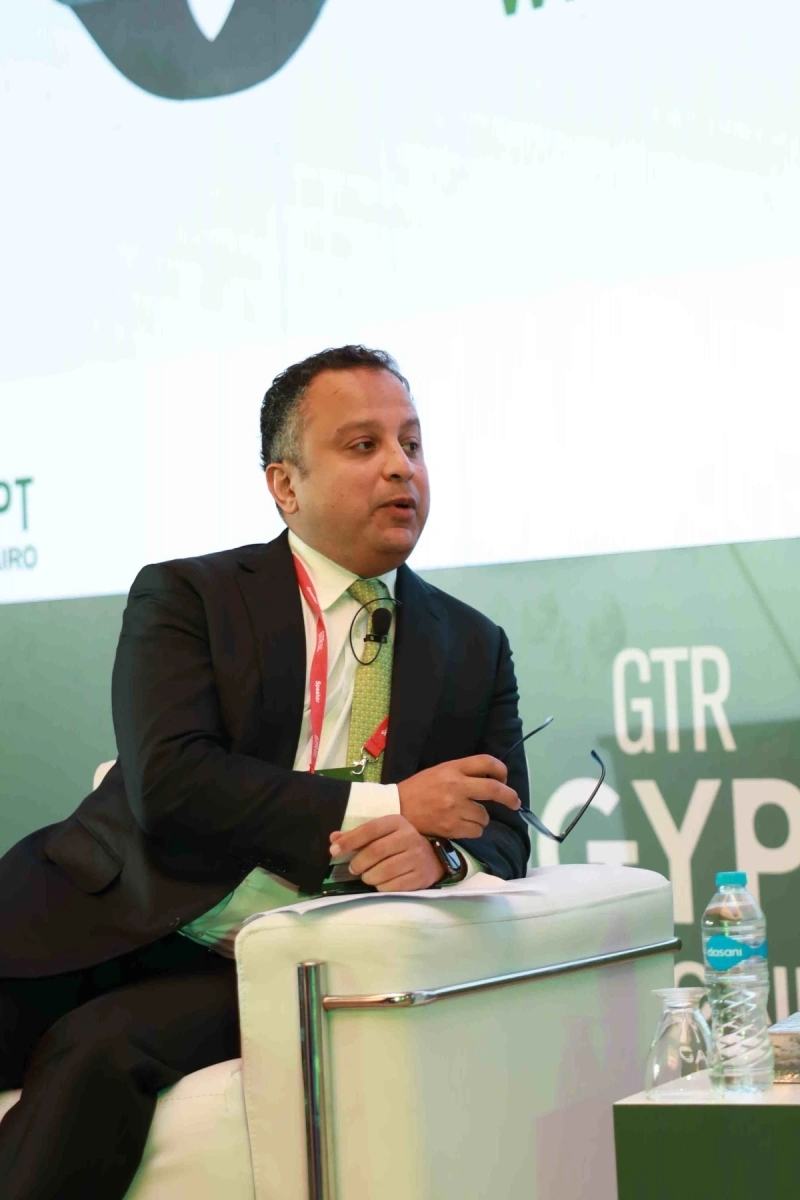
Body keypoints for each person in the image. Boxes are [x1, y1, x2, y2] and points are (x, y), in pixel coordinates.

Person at [0, 345, 530, 1199]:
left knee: (96, 1053)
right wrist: (392, 804)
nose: (401, 467)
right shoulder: (190, 597)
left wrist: (440, 858)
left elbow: (504, 829)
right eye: (363, 446)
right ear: (285, 485)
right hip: (102, 901)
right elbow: (171, 784)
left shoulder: (472, 646)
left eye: (413, 443)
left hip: (264, 957)